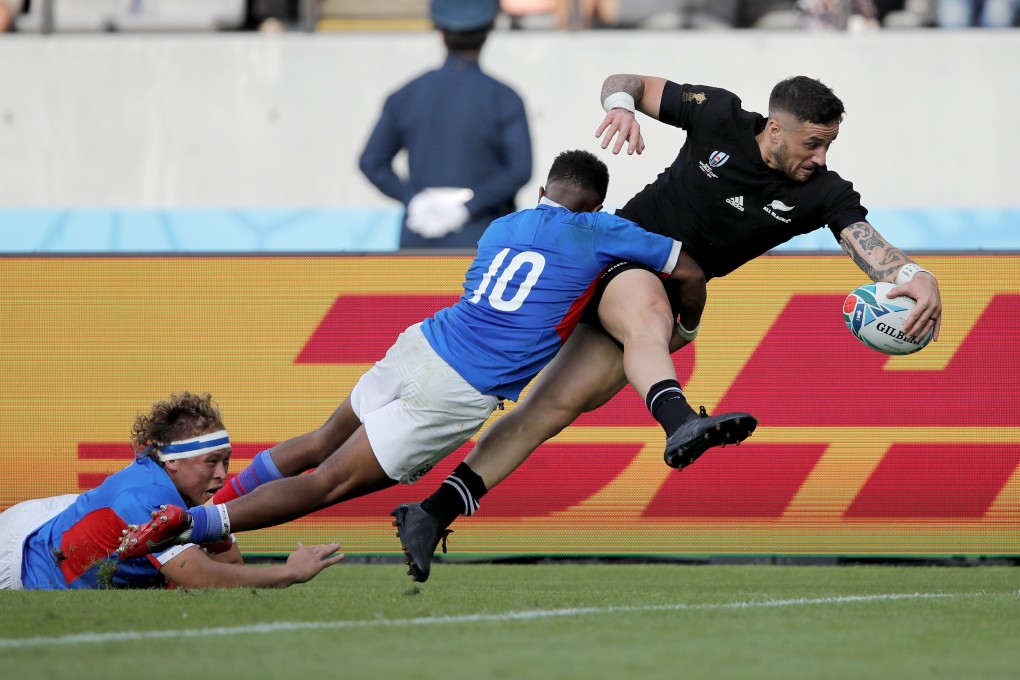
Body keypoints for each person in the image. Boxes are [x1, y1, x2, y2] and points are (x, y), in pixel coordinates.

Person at [386, 72, 946, 582]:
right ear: (775, 128)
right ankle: (679, 421)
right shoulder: (718, 114)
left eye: (829, 145)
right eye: (812, 143)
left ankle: (431, 514)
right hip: (617, 258)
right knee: (650, 318)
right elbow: (621, 80)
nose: (821, 157)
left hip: (675, 285)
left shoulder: (821, 191)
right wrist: (623, 106)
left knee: (547, 413)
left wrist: (916, 276)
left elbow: (866, 244)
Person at [117, 150, 750, 565]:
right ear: (596, 205)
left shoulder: (501, 228)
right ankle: (189, 527)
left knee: (316, 444)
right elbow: (688, 268)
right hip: (455, 388)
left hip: (419, 344)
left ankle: (203, 512)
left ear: (544, 192)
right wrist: (683, 328)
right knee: (325, 483)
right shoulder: (599, 231)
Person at [0, 392, 344, 590]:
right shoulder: (144, 498)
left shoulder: (187, 495)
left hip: (70, 520)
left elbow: (232, 564)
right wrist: (290, 572)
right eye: (211, 462)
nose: (222, 474)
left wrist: (220, 538)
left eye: (226, 461)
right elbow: (202, 576)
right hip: (19, 560)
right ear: (174, 462)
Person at [358, 0, 532, 249]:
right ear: (489, 29)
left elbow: (371, 161)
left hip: (419, 236)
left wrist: (414, 199)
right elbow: (519, 169)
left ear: (440, 32)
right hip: (483, 239)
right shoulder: (504, 97)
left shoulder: (406, 94)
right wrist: (469, 206)